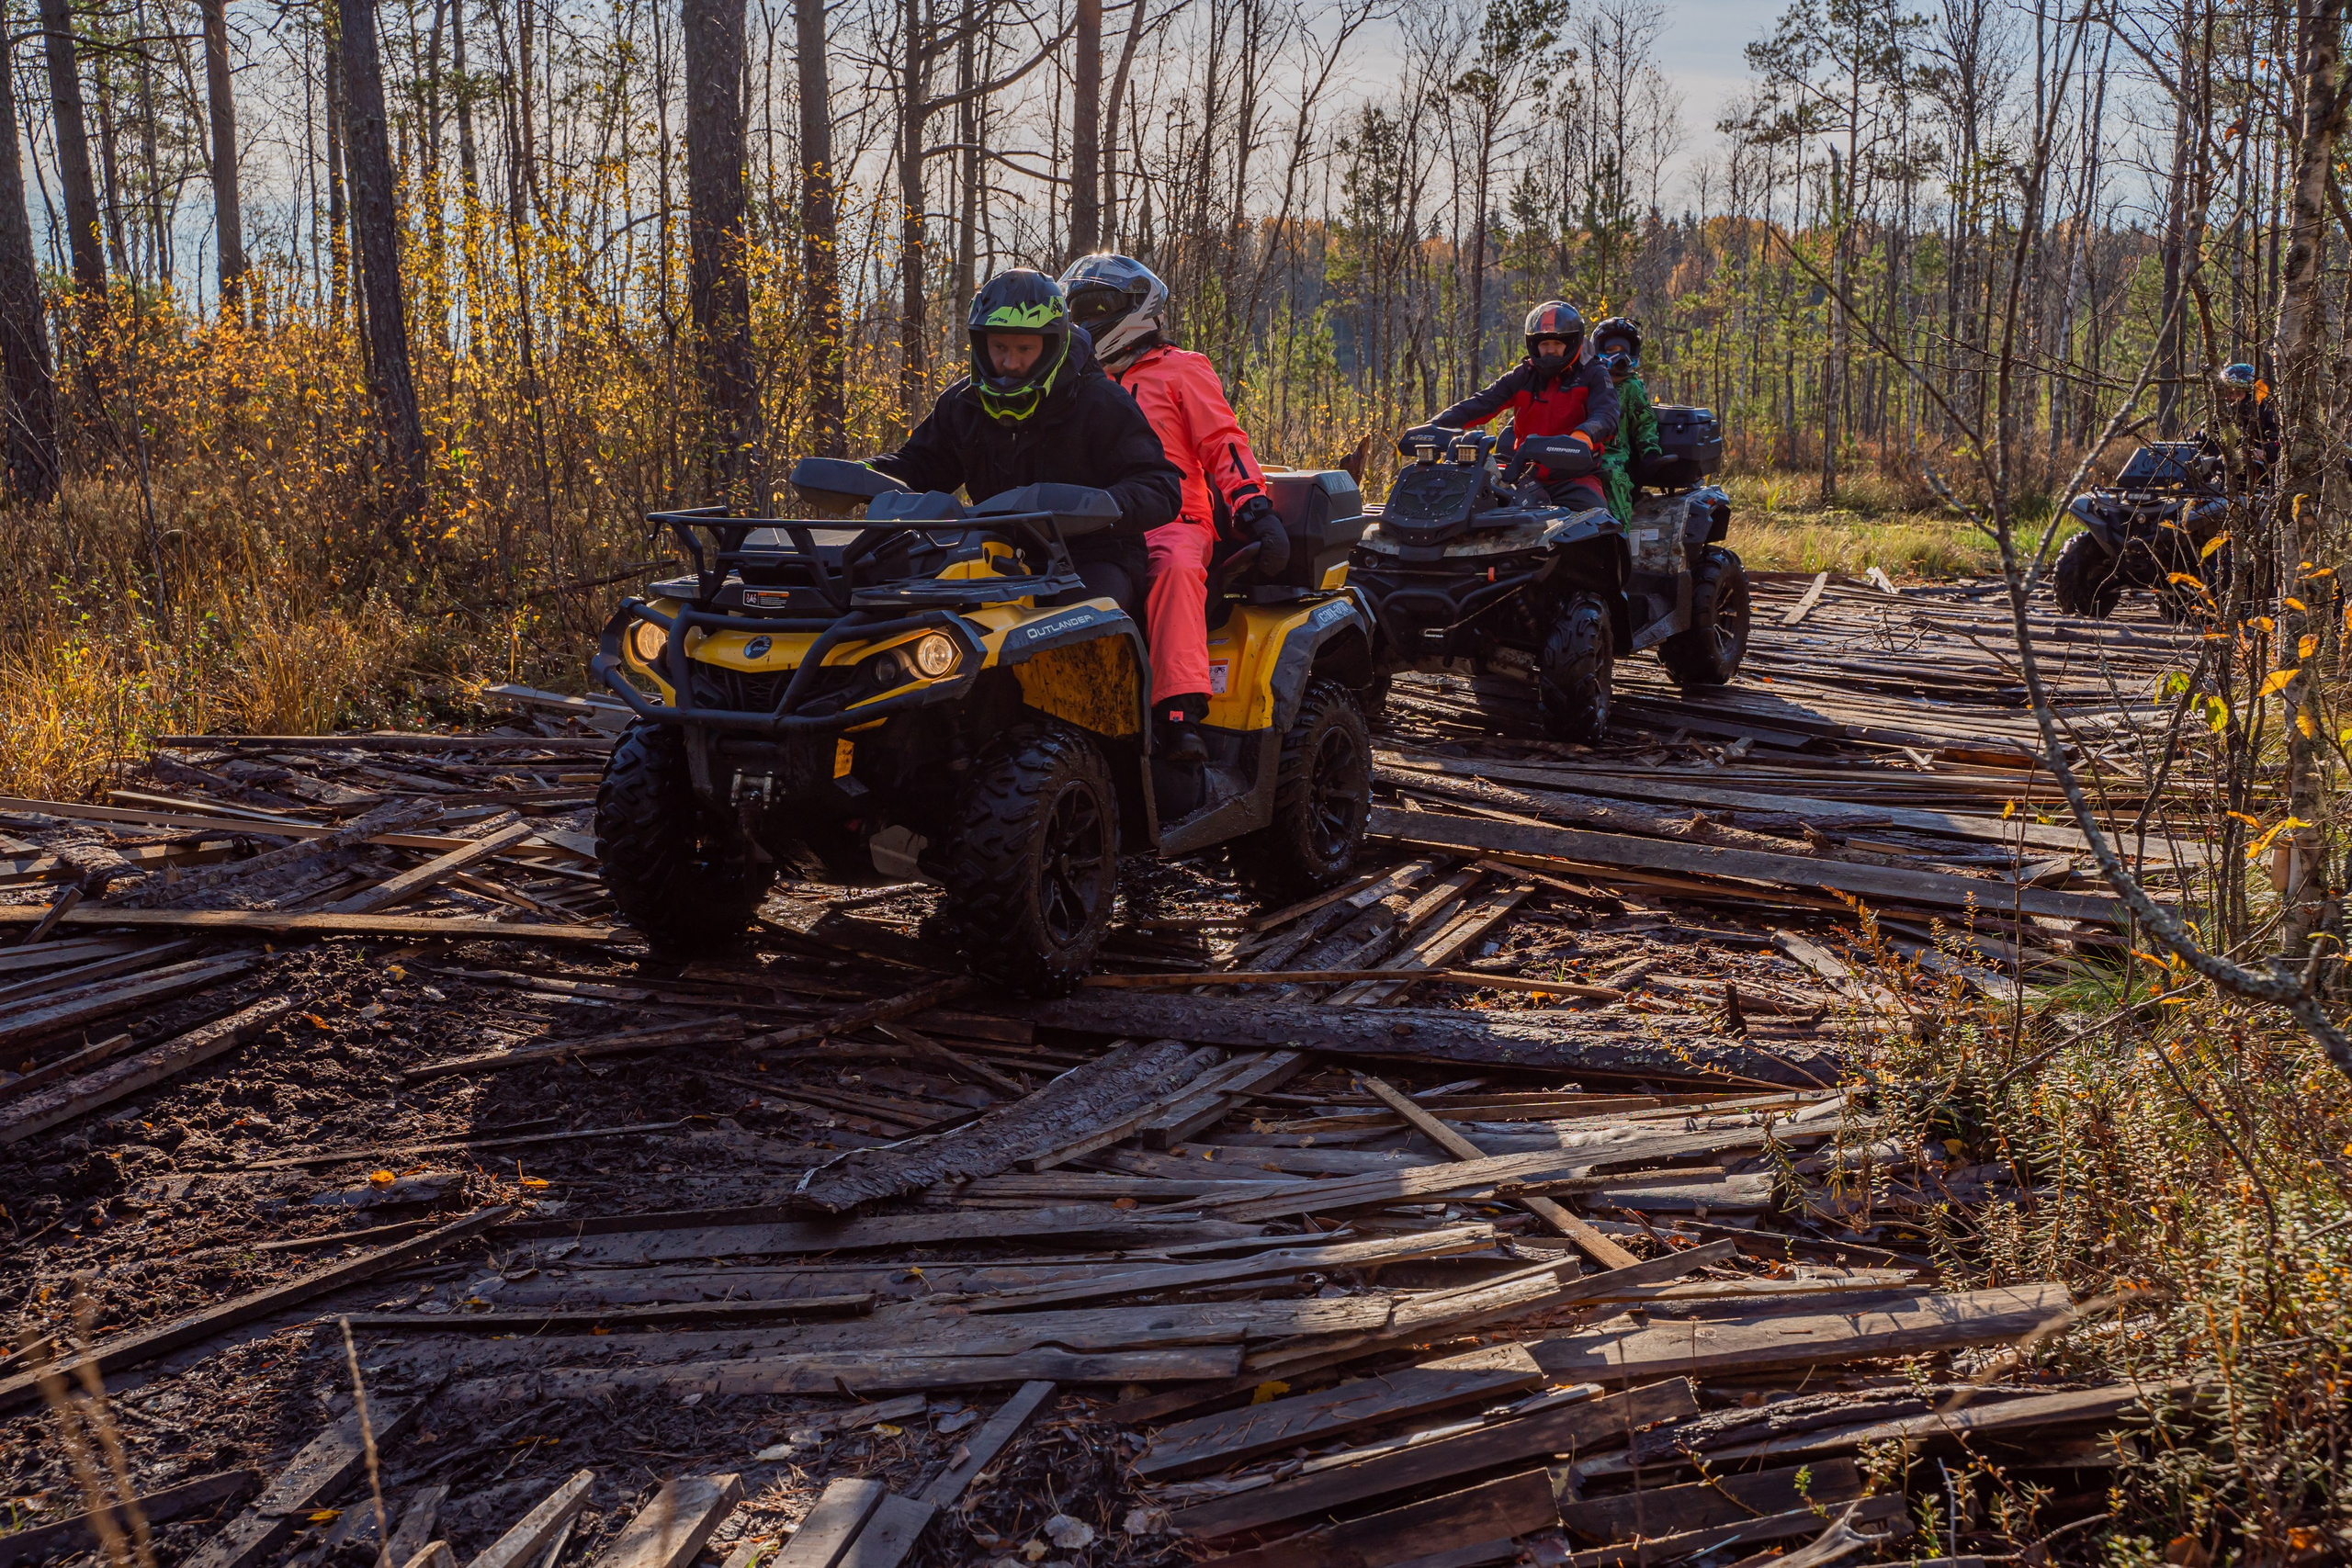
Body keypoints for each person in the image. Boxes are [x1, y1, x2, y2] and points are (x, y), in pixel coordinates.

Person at [1058, 253, 1289, 766]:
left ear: (1140, 310)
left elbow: (1222, 442)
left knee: (1174, 570)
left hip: (1176, 520)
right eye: (1077, 308)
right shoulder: (1074, 386)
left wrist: (1254, 506)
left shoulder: (1182, 369)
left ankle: (1180, 712)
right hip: (1095, 522)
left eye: (1096, 307)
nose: (1085, 318)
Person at [865, 268, 1183, 619]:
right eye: (999, 347)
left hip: (1092, 561)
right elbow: (919, 467)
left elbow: (1160, 487)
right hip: (988, 558)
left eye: (1024, 348)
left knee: (1080, 625)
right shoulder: (962, 404)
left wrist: (1096, 505)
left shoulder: (1100, 402)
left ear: (1052, 345)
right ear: (980, 343)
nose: (1010, 362)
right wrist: (863, 474)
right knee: (888, 612)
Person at [1423, 300, 1619, 509]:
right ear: (1534, 345)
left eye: (1557, 344)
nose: (1550, 350)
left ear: (1571, 342)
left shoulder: (1593, 373)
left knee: (1597, 518)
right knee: (1468, 507)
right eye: (1544, 344)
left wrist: (1583, 435)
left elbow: (1606, 414)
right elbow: (1482, 402)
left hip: (1573, 477)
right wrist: (1436, 425)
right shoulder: (1523, 374)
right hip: (1522, 474)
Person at [1590, 316, 1663, 523]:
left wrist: (1650, 451)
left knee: (1613, 477)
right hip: (1582, 450)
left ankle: (1619, 535)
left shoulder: (1632, 387)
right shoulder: (1588, 382)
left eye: (1623, 351)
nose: (1619, 356)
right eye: (1612, 350)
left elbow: (1646, 423)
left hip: (1614, 455)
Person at [2205, 362, 2281, 482]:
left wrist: (2264, 452)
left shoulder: (2266, 413)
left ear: (2250, 393)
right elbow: (2207, 443)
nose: (2232, 397)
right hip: (2222, 479)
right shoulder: (2220, 415)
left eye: (2238, 393)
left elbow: (2279, 443)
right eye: (2229, 392)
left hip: (2260, 479)